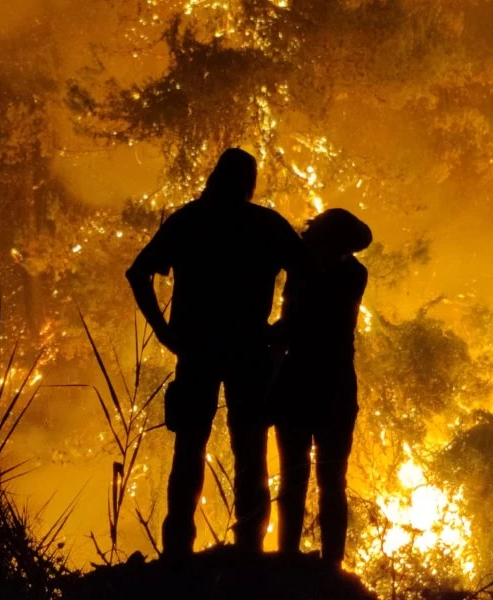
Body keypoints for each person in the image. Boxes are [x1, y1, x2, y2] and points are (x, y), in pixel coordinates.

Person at [126, 148, 306, 559]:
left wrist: (164, 331)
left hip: (197, 349)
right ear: (249, 182)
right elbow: (311, 270)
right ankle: (249, 553)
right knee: (250, 450)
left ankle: (177, 555)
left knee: (189, 447)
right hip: (251, 351)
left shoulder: (189, 221)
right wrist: (285, 328)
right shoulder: (265, 224)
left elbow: (138, 273)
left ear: (214, 177)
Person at [270, 208, 371, 569]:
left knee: (307, 477)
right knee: (320, 478)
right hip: (333, 385)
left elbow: (293, 323)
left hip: (306, 382)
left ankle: (303, 561)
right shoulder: (352, 273)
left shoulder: (318, 273)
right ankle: (321, 564)